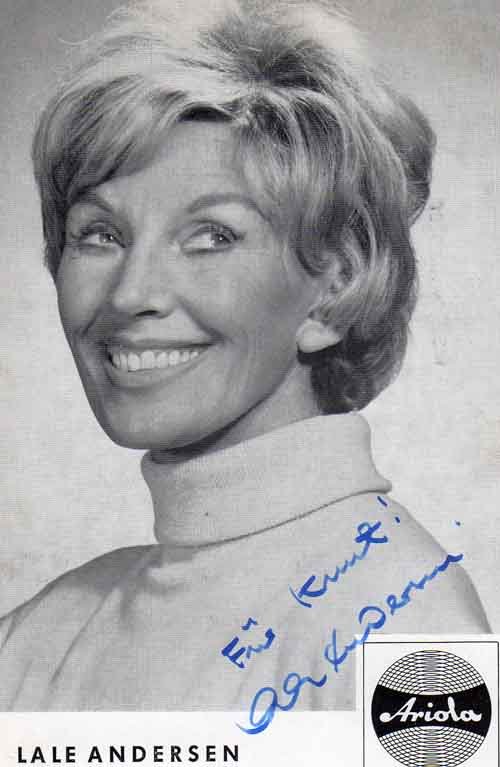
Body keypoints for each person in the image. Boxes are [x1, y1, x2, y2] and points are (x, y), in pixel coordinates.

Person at [0, 0, 489, 713]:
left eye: (212, 237)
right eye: (100, 234)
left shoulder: (410, 631)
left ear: (333, 289)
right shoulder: (34, 642)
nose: (130, 294)